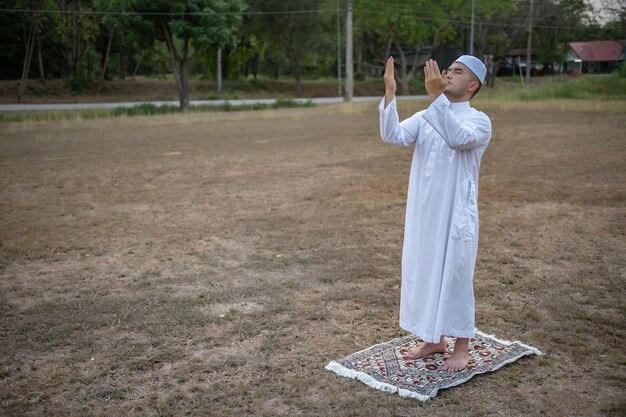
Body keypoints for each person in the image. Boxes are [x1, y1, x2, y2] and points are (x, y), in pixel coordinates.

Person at [379, 55, 491, 372]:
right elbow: (394, 135)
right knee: (425, 271)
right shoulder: (428, 114)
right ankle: (433, 338)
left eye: (457, 72)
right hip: (425, 213)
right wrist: (390, 93)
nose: (447, 74)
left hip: (456, 215)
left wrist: (436, 98)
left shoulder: (479, 121)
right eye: (447, 69)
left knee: (455, 276)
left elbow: (457, 138)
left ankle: (462, 347)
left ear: (472, 85)